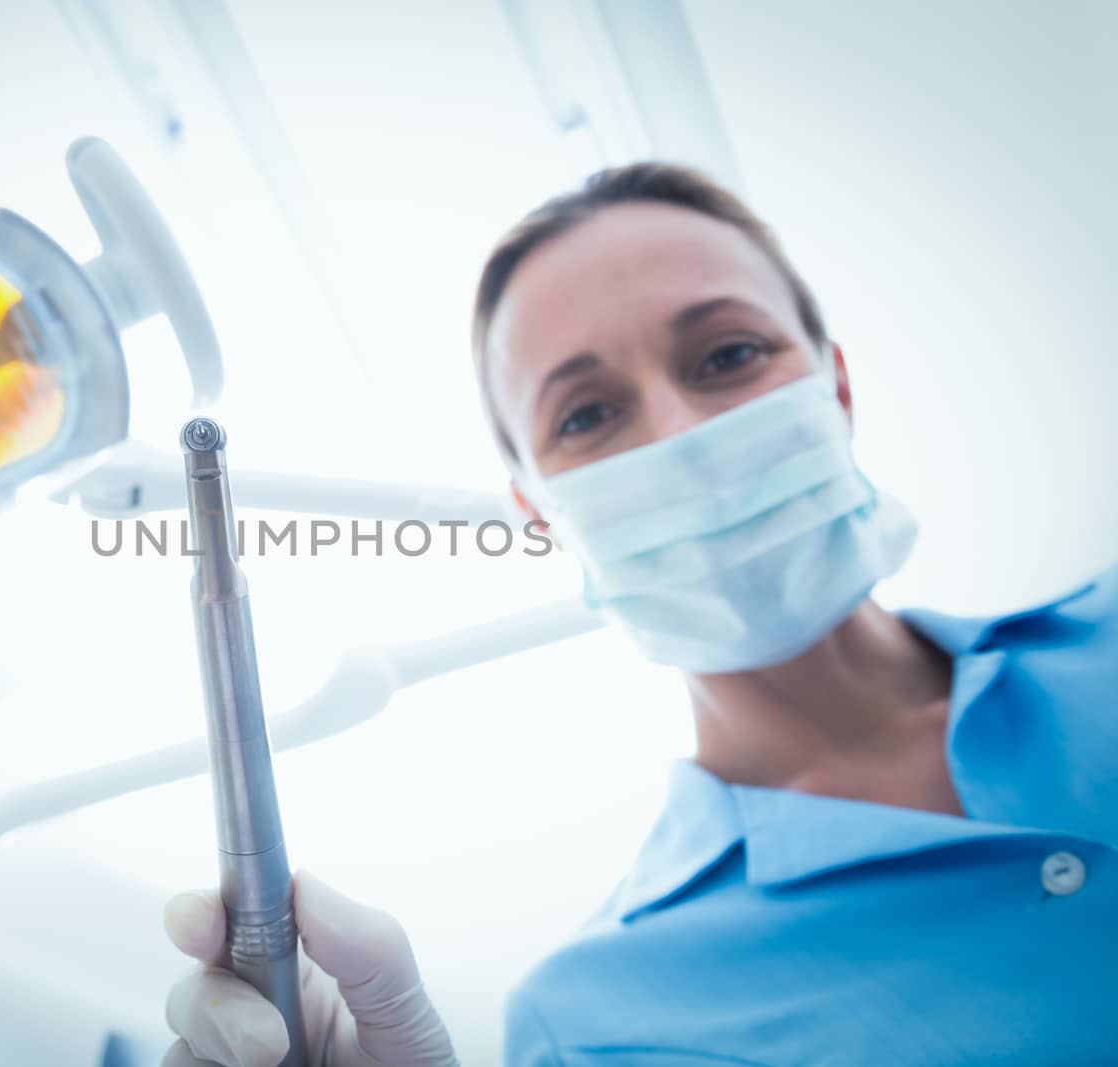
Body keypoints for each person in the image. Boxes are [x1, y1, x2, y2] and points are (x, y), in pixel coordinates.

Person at [157, 163, 1118, 1066]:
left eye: (729, 354)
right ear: (542, 510)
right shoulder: (598, 1027)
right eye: (586, 415)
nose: (681, 433)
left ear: (837, 386)